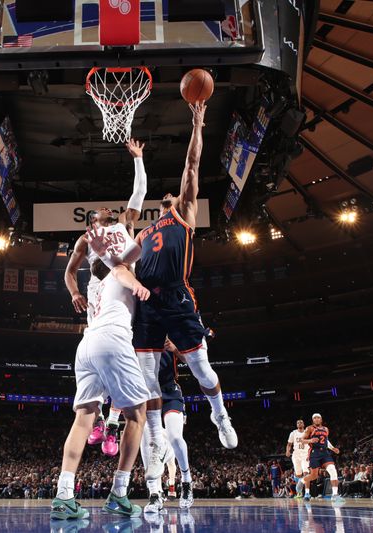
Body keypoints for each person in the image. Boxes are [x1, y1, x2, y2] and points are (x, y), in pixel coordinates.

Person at [129, 101, 237, 461]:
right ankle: (156, 436)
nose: (168, 194)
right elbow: (123, 266)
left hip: (176, 297)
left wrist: (198, 125)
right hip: (147, 305)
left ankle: (219, 414)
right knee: (148, 379)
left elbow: (192, 164)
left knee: (201, 368)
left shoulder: (183, 212)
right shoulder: (143, 234)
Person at [51, 251, 153, 520]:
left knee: (83, 418)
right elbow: (120, 269)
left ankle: (63, 496)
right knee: (138, 415)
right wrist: (137, 285)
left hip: (86, 345)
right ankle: (119, 493)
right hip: (112, 341)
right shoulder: (119, 272)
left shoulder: (97, 287)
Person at [64, 139, 147, 452]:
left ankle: (112, 422)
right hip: (100, 292)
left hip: (125, 289)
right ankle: (101, 419)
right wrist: (74, 294)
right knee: (101, 355)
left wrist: (138, 159)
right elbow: (69, 272)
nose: (107, 209)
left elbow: (138, 193)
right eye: (101, 210)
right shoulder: (86, 239)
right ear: (92, 221)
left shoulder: (126, 222)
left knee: (123, 353)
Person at [143, 338, 193, 513]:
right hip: (147, 391)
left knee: (175, 436)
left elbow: (192, 359)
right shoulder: (138, 328)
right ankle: (154, 494)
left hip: (170, 390)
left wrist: (176, 348)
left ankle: (186, 481)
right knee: (145, 439)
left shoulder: (170, 328)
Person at [302, 413, 343, 504]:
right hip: (314, 453)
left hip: (325, 453)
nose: (317, 419)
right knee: (314, 476)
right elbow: (302, 440)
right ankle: (303, 481)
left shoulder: (326, 429)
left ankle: (335, 495)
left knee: (333, 471)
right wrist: (310, 440)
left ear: (321, 419)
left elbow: (326, 440)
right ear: (313, 420)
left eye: (318, 418)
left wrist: (332, 448)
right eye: (315, 418)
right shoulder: (309, 428)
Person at [286, 419, 309, 498]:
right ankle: (299, 492)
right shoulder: (293, 433)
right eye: (298, 422)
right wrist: (287, 451)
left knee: (306, 473)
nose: (299, 423)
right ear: (296, 425)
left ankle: (307, 493)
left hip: (305, 455)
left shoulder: (307, 431)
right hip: (296, 455)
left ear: (303, 424)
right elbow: (289, 444)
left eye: (301, 422)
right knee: (298, 475)